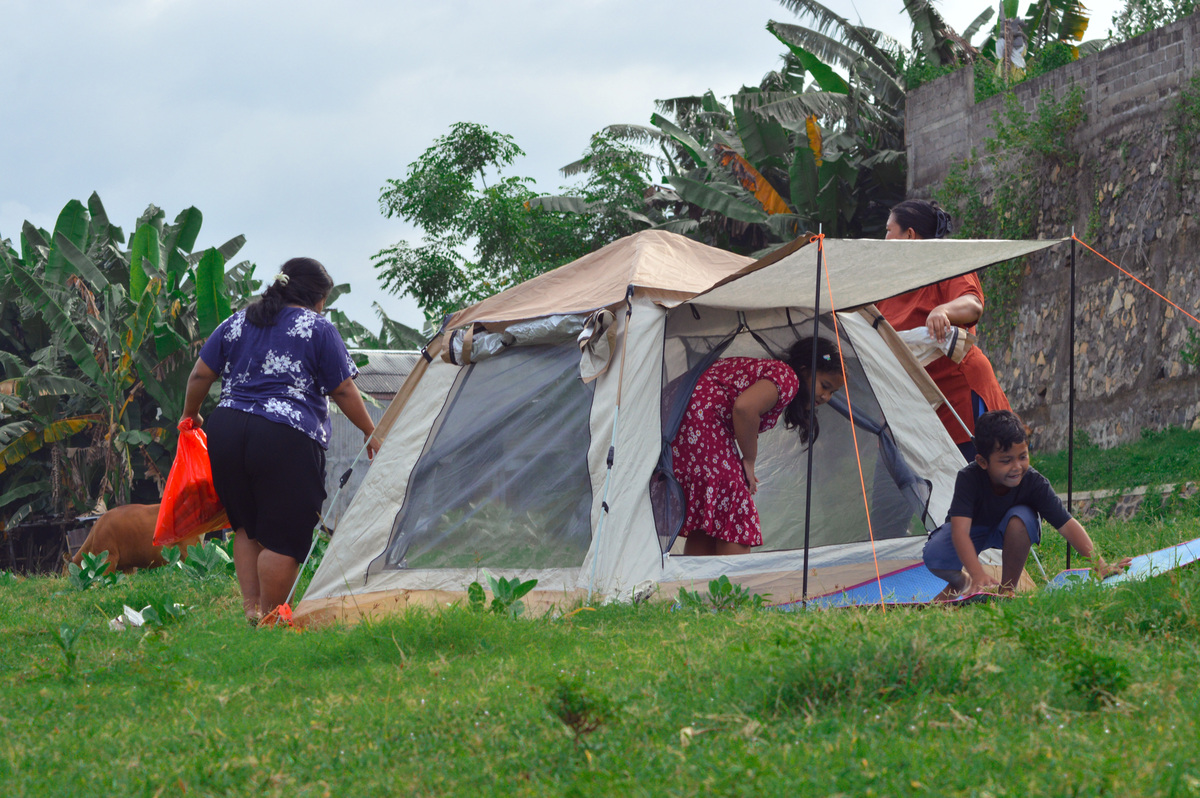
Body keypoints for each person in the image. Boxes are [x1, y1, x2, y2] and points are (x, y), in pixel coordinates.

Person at [180, 257, 380, 624]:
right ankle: (273, 618)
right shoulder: (316, 327)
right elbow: (343, 388)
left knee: (246, 525)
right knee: (284, 536)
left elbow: (199, 375)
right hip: (282, 433)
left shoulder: (237, 321)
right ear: (316, 297)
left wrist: (190, 416)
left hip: (226, 430)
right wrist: (371, 430)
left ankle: (252, 610)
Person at [923, 409, 1129, 600]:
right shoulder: (968, 478)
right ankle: (964, 583)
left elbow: (1067, 524)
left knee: (1022, 516)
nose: (1017, 467)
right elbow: (960, 532)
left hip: (1012, 531)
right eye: (1006, 460)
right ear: (983, 462)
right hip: (972, 531)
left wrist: (1100, 565)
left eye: (1023, 457)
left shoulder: (1034, 482)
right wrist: (977, 573)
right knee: (934, 554)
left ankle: (1007, 589)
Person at [672, 337, 845, 556]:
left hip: (679, 418)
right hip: (700, 419)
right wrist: (749, 459)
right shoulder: (787, 377)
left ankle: (695, 587)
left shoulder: (776, 374)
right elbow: (744, 408)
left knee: (711, 513)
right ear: (804, 370)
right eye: (825, 386)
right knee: (735, 506)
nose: (826, 397)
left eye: (833, 393)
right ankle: (732, 589)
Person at [877, 198, 1011, 461]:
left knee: (972, 486)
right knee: (895, 494)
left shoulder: (945, 264)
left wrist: (943, 311)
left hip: (958, 396)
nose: (884, 238)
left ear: (910, 235)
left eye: (889, 230)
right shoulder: (887, 282)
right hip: (910, 407)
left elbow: (972, 304)